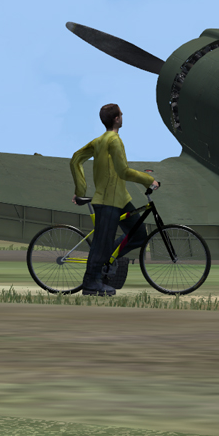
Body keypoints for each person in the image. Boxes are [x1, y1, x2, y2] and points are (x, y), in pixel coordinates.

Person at [70, 103, 159, 296]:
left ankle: (106, 261)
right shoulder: (115, 141)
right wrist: (149, 180)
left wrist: (80, 189)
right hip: (107, 200)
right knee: (101, 244)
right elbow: (123, 171)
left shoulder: (98, 141)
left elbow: (76, 158)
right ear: (117, 119)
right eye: (121, 114)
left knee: (139, 236)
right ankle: (91, 284)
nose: (123, 115)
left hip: (121, 198)